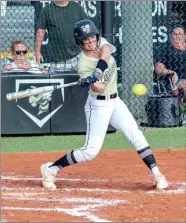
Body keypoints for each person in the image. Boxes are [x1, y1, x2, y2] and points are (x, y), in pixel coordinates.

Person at [40, 19, 169, 190]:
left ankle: (157, 174)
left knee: (136, 135)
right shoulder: (83, 65)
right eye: (87, 41)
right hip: (98, 106)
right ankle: (51, 169)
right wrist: (91, 81)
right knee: (90, 152)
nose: (92, 43)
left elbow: (106, 52)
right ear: (80, 43)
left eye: (93, 39)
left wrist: (98, 71)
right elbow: (99, 89)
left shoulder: (101, 43)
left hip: (116, 101)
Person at [35, 1, 88, 70]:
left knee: (80, 79)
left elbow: (86, 26)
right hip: (57, 60)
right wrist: (37, 51)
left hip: (77, 56)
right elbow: (40, 31)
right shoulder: (47, 9)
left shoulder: (76, 7)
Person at [154, 24, 186, 101]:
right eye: (175, 34)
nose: (178, 36)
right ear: (171, 35)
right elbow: (159, 69)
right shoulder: (163, 49)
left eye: (180, 34)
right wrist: (173, 73)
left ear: (184, 35)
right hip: (173, 81)